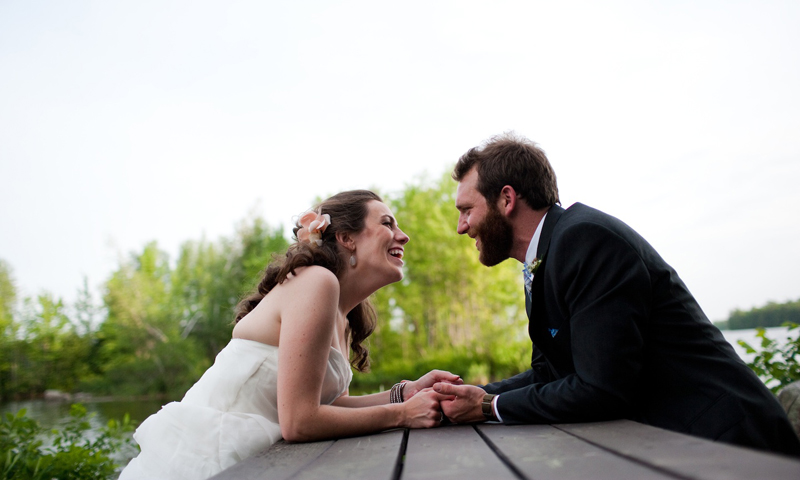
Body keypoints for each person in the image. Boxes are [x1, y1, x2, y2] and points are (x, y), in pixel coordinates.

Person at [433, 133, 800, 457]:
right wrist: (468, 395)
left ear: (507, 199)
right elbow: (550, 372)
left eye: (467, 210)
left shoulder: (586, 240)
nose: (461, 226)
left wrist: (488, 406)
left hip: (730, 442)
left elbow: (600, 389)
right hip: (682, 447)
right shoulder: (550, 253)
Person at [120, 190, 460, 480]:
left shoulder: (341, 315)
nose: (404, 235)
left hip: (259, 462)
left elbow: (326, 403)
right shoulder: (315, 281)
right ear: (347, 238)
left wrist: (404, 394)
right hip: (210, 459)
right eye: (387, 223)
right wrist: (403, 415)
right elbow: (299, 422)